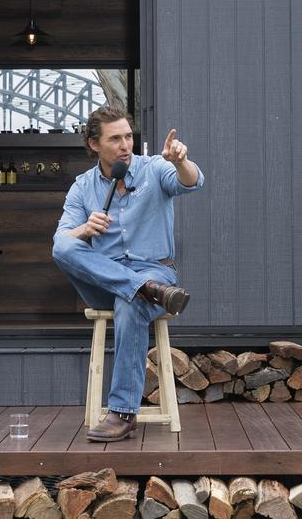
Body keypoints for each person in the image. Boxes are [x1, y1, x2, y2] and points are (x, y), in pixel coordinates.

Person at [51, 105, 204, 442]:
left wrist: (179, 161)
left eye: (128, 136)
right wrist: (85, 229)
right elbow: (61, 241)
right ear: (94, 144)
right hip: (107, 280)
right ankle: (143, 289)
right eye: (115, 138)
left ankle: (122, 413)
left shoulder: (155, 169)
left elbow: (191, 181)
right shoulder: (82, 188)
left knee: (130, 303)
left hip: (156, 272)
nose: (125, 145)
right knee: (65, 249)